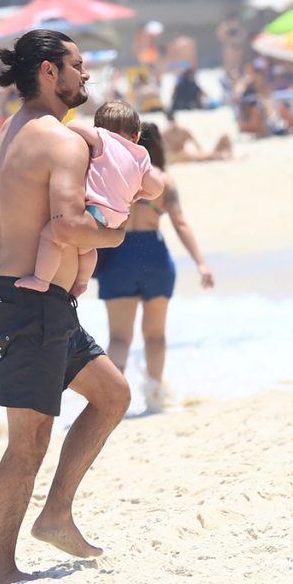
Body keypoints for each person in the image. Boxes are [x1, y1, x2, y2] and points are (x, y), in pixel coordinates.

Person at [0, 29, 131, 584]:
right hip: (31, 304)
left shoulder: (15, 129)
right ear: (49, 71)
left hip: (40, 303)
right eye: (77, 65)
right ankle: (0, 569)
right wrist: (118, 231)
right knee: (28, 442)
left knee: (112, 394)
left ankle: (57, 514)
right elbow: (69, 225)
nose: (85, 76)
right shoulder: (59, 139)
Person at [96, 122, 214, 412]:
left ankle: (112, 401)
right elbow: (180, 223)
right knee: (156, 334)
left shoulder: (114, 177)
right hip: (155, 258)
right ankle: (154, 396)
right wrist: (201, 263)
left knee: (120, 338)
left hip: (118, 254)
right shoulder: (164, 181)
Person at [15, 100, 164, 296]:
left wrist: (95, 134)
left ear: (99, 127)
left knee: (51, 236)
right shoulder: (141, 154)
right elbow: (157, 187)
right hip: (117, 217)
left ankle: (40, 279)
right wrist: (141, 193)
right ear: (136, 136)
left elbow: (72, 125)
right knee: (87, 248)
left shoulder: (103, 138)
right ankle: (82, 281)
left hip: (95, 210)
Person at [162, 110, 232, 163]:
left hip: (183, 155)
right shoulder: (168, 133)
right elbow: (197, 145)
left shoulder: (180, 131)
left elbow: (197, 145)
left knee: (207, 155)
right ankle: (222, 155)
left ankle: (222, 155)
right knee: (206, 156)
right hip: (180, 156)